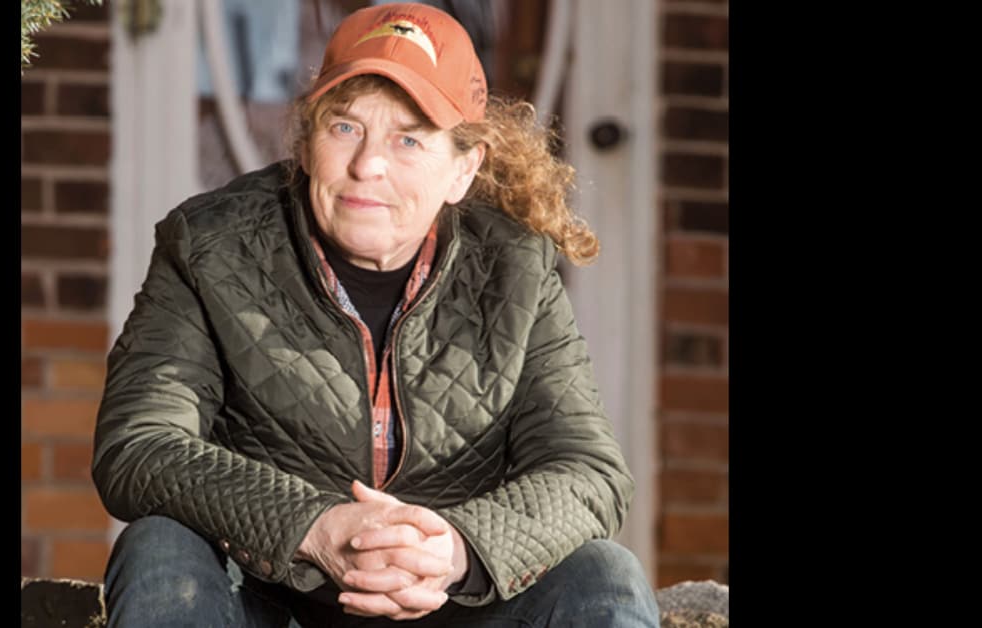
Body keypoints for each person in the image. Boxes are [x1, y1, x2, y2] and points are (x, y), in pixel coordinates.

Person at [92, 3, 659, 626]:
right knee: (158, 547)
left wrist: (455, 550)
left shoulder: (515, 267)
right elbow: (140, 444)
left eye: (408, 139)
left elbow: (588, 470)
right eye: (345, 127)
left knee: (605, 573)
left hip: (450, 603)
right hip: (272, 596)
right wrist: (313, 526)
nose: (368, 165)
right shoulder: (210, 247)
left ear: (463, 168)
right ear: (307, 141)